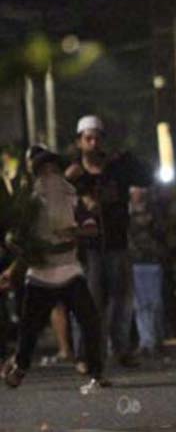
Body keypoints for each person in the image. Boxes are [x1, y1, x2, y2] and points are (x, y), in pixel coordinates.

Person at [1, 145, 108, 389]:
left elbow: (93, 228)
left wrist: (75, 231)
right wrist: (19, 262)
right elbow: (14, 240)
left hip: (70, 271)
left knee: (90, 320)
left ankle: (96, 371)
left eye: (54, 171)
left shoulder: (72, 199)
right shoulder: (30, 204)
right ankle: (20, 367)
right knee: (29, 329)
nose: (50, 177)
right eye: (44, 172)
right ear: (38, 176)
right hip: (40, 275)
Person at [67, 115, 153, 371]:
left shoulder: (117, 169)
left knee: (121, 301)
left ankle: (121, 349)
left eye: (97, 138)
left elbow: (147, 177)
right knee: (89, 302)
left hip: (117, 243)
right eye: (88, 138)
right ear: (80, 142)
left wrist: (129, 159)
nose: (93, 143)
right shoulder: (73, 174)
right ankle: (85, 354)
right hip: (88, 249)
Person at [128, 186, 165, 357]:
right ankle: (147, 341)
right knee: (141, 304)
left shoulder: (155, 210)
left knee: (155, 303)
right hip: (135, 261)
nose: (139, 193)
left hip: (152, 260)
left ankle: (156, 338)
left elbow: (162, 232)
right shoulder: (126, 211)